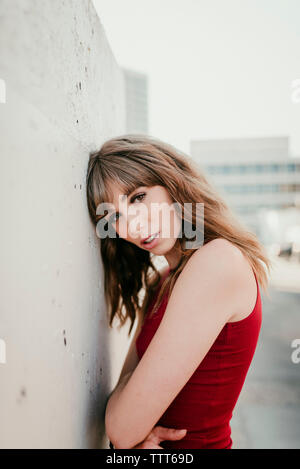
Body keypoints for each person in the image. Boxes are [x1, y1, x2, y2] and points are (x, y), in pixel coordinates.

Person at [86, 134, 272, 449]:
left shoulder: (216, 261)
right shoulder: (162, 281)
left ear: (172, 182)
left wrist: (128, 422)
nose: (132, 223)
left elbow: (120, 428)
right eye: (114, 216)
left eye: (137, 197)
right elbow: (121, 418)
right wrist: (126, 420)